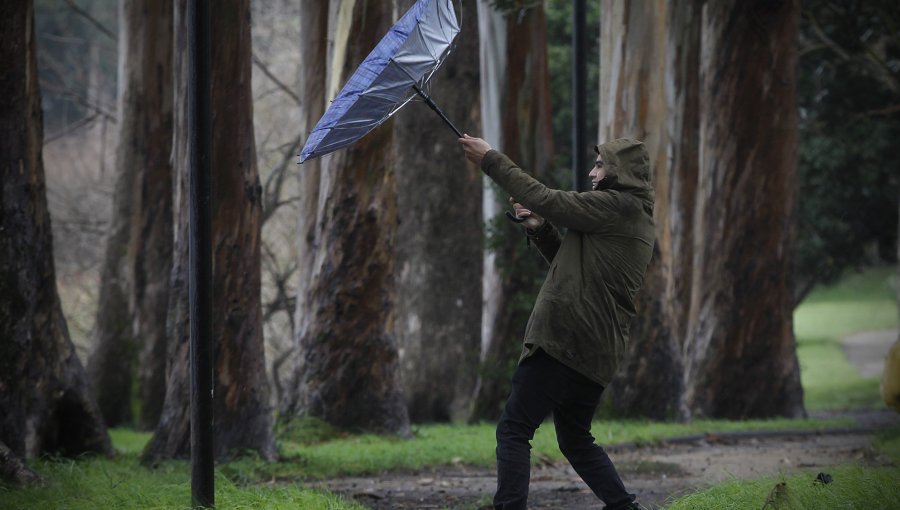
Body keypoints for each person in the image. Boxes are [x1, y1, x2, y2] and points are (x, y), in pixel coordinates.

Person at [458, 134, 655, 510]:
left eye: (601, 165)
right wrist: (541, 229)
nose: (593, 173)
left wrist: (490, 159)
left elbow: (548, 198)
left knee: (513, 429)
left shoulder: (617, 206)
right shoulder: (629, 213)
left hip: (567, 340)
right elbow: (573, 273)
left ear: (620, 173)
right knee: (575, 439)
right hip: (595, 349)